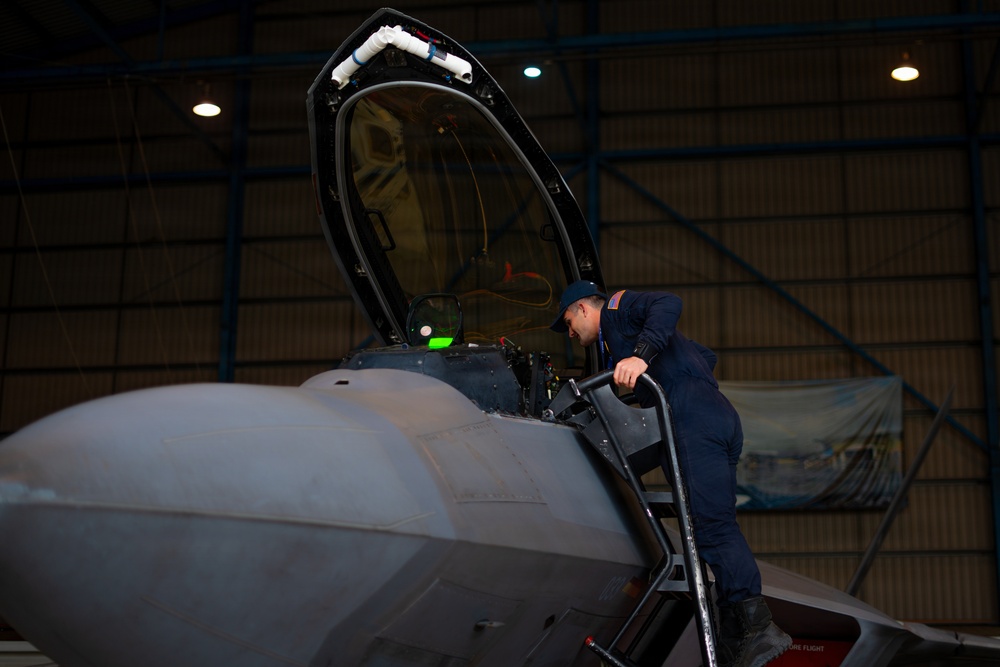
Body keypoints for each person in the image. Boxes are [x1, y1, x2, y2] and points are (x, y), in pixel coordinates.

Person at [551, 280, 792, 667]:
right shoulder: (618, 340)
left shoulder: (617, 310)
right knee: (708, 527)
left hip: (692, 418)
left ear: (582, 308)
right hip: (710, 415)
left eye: (568, 322)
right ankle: (736, 634)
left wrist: (643, 358)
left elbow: (668, 301)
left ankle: (757, 627)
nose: (570, 333)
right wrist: (670, 379)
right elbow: (705, 356)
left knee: (713, 526)